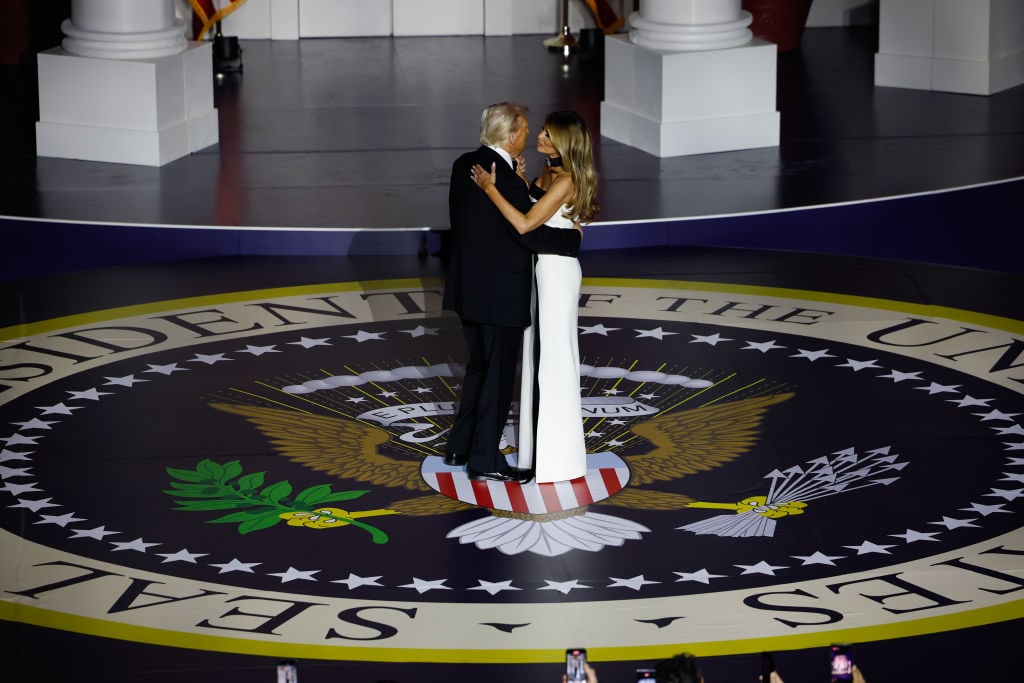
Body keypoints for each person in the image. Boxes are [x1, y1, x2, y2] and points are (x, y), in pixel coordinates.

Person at [442, 102, 582, 483]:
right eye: (525, 130)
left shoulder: (463, 164)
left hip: (467, 288)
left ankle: (459, 446)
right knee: (497, 377)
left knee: (478, 367)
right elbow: (529, 232)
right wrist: (573, 239)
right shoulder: (499, 177)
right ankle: (484, 459)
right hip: (500, 292)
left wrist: (516, 182)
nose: (530, 135)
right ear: (510, 135)